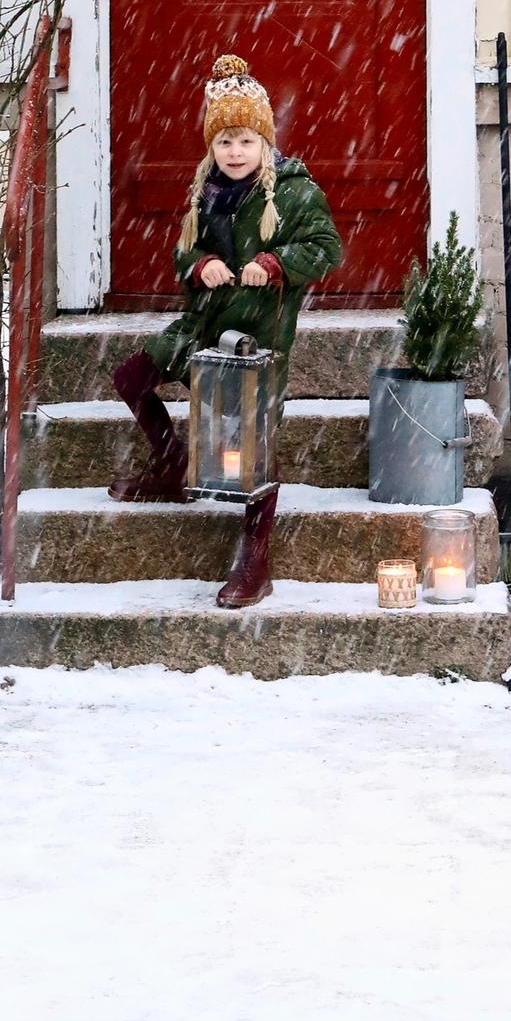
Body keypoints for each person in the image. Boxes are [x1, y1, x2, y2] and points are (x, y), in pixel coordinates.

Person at [108, 52, 343, 607]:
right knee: (131, 377)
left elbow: (327, 248)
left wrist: (275, 263)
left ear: (264, 142)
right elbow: (183, 250)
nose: (234, 153)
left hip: (258, 337)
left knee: (253, 443)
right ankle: (170, 465)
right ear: (211, 147)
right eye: (224, 142)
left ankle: (254, 557)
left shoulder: (293, 192)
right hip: (203, 326)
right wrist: (198, 263)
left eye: (245, 141)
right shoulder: (206, 192)